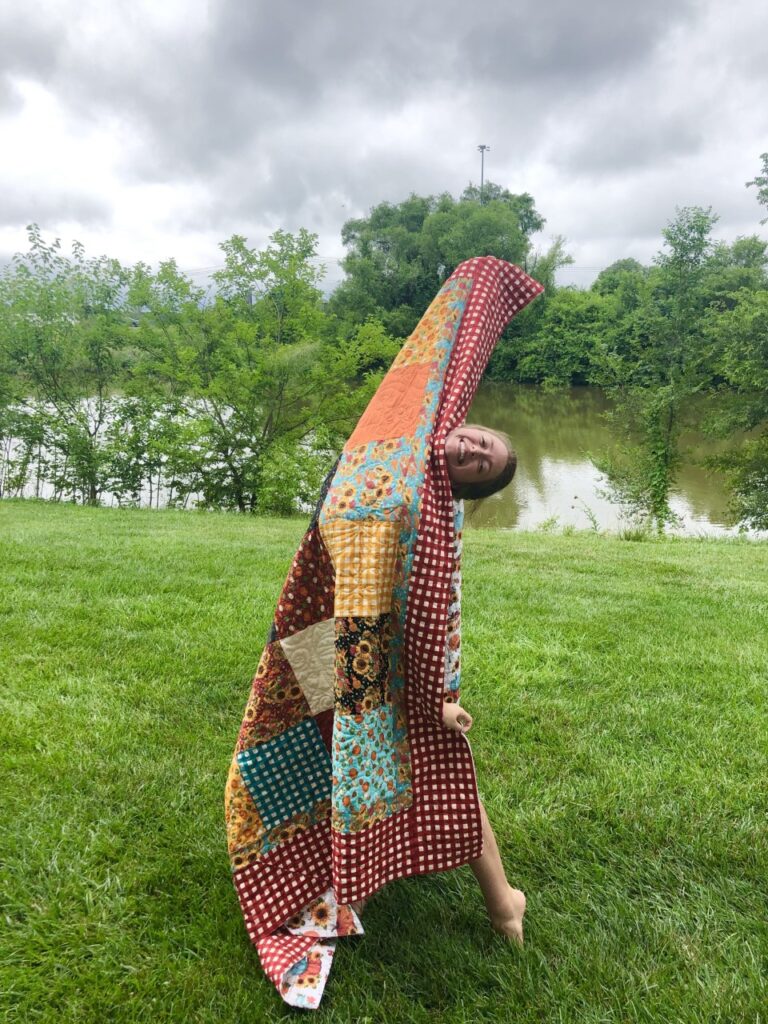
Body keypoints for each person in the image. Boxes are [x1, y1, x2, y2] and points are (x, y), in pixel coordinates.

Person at [350, 422, 527, 945]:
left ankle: (501, 902)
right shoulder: (415, 461)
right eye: (479, 442)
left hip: (406, 668)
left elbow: (431, 615)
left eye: (480, 465)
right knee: (369, 767)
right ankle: (358, 891)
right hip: (368, 651)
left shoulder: (434, 503)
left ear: (465, 486)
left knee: (433, 777)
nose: (472, 450)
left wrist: (437, 700)